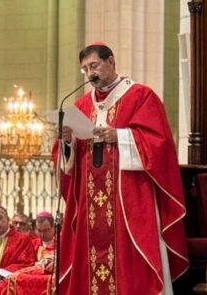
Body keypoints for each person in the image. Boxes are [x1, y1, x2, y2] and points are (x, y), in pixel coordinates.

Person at [56, 43, 188, 294]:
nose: (90, 73)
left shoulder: (141, 96)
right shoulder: (82, 105)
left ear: (111, 62)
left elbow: (159, 144)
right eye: (85, 69)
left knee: (131, 260)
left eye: (93, 66)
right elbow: (69, 162)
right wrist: (66, 141)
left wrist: (121, 136)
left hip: (129, 198)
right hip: (89, 202)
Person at [7, 211, 56, 294]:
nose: (42, 234)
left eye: (46, 230)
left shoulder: (63, 244)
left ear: (53, 227)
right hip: (31, 279)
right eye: (39, 231)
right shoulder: (32, 243)